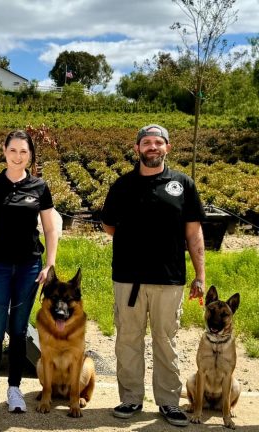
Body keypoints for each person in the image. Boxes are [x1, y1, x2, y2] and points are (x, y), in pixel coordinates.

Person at [101, 124, 205, 427]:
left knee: (166, 341)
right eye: (146, 142)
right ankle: (131, 398)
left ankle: (169, 403)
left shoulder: (183, 184)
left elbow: (194, 234)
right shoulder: (122, 186)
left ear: (168, 148)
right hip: (128, 279)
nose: (152, 147)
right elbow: (109, 226)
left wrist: (200, 275)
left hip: (169, 279)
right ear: (137, 149)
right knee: (128, 340)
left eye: (158, 142)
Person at [0, 129, 58, 413]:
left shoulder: (39, 187)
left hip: (29, 266)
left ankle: (14, 388)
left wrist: (50, 264)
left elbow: (50, 228)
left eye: (24, 152)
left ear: (30, 156)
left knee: (18, 330)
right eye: (13, 150)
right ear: (4, 151)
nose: (18, 156)